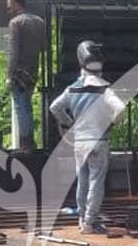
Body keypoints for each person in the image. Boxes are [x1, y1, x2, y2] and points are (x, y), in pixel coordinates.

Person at [49, 40, 125, 235]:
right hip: (99, 142)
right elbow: (120, 109)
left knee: (82, 181)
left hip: (79, 143)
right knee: (96, 182)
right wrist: (113, 122)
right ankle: (91, 222)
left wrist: (68, 123)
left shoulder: (72, 88)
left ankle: (83, 219)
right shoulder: (104, 89)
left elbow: (55, 107)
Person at [6, 0, 46, 154]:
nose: (8, 10)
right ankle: (30, 141)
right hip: (33, 70)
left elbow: (13, 51)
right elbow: (44, 47)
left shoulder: (15, 23)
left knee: (20, 107)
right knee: (27, 105)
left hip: (19, 72)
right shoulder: (39, 21)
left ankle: (26, 142)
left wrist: (9, 75)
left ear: (16, 4)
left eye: (9, 6)